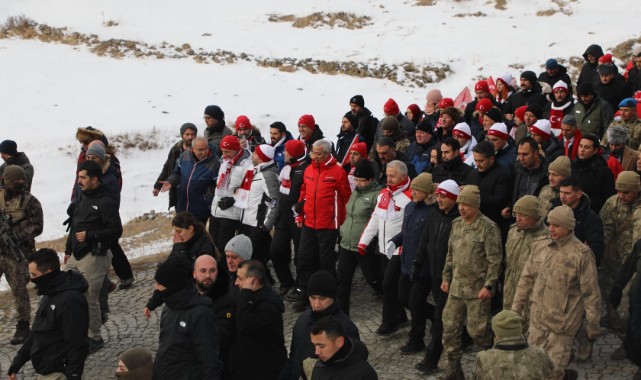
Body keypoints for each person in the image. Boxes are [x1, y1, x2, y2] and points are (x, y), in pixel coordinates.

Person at [512, 206, 601, 380]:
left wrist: (593, 324)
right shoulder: (539, 246)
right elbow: (525, 280)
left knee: (554, 372)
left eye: (557, 226)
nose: (551, 228)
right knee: (533, 369)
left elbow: (591, 293)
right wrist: (515, 310)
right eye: (550, 224)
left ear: (569, 227)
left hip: (562, 327)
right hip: (537, 321)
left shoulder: (581, 255)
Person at [440, 185, 501, 380]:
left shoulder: (488, 227)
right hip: (457, 288)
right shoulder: (457, 224)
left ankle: (492, 363)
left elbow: (495, 260)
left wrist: (489, 285)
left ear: (475, 205)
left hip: (477, 290)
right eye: (459, 203)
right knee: (449, 328)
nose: (461, 208)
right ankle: (454, 369)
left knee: (479, 332)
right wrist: (446, 277)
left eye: (466, 204)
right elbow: (450, 253)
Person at [65, 160, 122, 354]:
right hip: (76, 254)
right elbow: (74, 224)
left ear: (95, 179)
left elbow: (116, 230)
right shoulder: (81, 196)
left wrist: (91, 235)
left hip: (95, 255)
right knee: (65, 290)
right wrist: (67, 250)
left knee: (90, 297)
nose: (79, 181)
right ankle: (73, 332)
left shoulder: (106, 201)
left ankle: (94, 338)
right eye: (78, 177)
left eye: (83, 178)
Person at [7, 248, 89, 380]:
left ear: (48, 272)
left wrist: (73, 375)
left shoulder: (70, 300)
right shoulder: (49, 293)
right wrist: (17, 363)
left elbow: (77, 343)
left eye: (34, 275)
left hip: (59, 372)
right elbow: (37, 332)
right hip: (46, 370)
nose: (31, 279)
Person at [293, 139, 351, 311]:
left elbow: (346, 197)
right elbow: (304, 193)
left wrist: (342, 222)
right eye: (313, 152)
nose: (314, 156)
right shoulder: (309, 169)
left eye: (318, 153)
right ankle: (306, 293)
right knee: (304, 258)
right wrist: (299, 214)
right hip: (309, 222)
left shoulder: (338, 172)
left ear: (327, 154)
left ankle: (329, 295)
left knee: (325, 262)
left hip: (328, 225)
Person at [358, 160, 412, 336]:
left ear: (403, 176)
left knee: (388, 285)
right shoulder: (383, 194)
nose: (388, 179)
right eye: (387, 175)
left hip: (399, 250)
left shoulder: (410, 197)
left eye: (392, 176)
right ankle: (400, 315)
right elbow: (375, 219)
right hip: (383, 248)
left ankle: (388, 321)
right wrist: (364, 241)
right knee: (391, 285)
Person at [413, 180, 460, 374]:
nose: (439, 199)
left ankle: (431, 359)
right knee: (444, 317)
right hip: (434, 274)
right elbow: (426, 239)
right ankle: (462, 336)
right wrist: (417, 261)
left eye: (444, 196)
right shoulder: (435, 213)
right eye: (438, 195)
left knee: (440, 319)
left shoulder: (458, 219)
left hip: (450, 279)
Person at [279, 270, 360, 380]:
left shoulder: (346, 328)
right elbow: (294, 359)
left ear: (332, 297)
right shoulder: (302, 320)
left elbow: (350, 371)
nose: (316, 304)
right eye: (312, 298)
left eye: (322, 298)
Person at [152, 255, 222, 379]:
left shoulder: (201, 314)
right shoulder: (169, 307)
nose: (156, 287)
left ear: (173, 285)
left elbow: (210, 361)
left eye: (159, 283)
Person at [390, 173, 436, 354]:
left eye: (417, 190)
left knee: (415, 302)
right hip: (406, 262)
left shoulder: (432, 211)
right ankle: (435, 316)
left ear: (426, 192)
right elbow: (407, 233)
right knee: (403, 297)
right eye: (413, 189)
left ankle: (416, 339)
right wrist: (395, 241)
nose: (413, 192)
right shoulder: (410, 207)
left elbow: (427, 241)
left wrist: (420, 262)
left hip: (422, 266)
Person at [0, 165, 43, 345]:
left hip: (17, 253)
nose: (20, 183)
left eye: (22, 180)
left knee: (19, 289)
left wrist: (18, 235)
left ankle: (23, 325)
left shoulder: (30, 201)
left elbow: (37, 226)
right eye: (16, 180)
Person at [84, 142, 134, 291]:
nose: (91, 159)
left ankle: (125, 276)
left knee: (111, 247)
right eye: (88, 157)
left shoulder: (109, 175)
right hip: (90, 217)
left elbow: (111, 199)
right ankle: (104, 283)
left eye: (94, 157)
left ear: (101, 159)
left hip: (106, 217)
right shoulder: (87, 173)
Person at [337, 160, 383, 315]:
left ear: (370, 179)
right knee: (343, 279)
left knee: (372, 277)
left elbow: (378, 221)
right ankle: (342, 313)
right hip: (347, 243)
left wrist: (372, 241)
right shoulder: (356, 192)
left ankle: (386, 296)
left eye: (360, 180)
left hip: (364, 245)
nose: (357, 183)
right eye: (355, 180)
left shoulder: (377, 195)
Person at [599, 171, 641, 333]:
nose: (621, 195)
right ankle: (614, 321)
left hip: (633, 265)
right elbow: (604, 230)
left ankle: (628, 340)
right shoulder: (612, 203)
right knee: (610, 294)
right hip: (612, 260)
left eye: (626, 192)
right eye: (618, 191)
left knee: (629, 303)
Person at [234, 260, 287, 380]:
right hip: (250, 364)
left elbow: (244, 326)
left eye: (240, 278)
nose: (236, 282)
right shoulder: (252, 296)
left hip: (266, 369)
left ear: (253, 281)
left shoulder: (268, 306)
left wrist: (245, 294)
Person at [270, 139, 309, 296]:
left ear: (294, 154)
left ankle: (300, 287)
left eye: (287, 151)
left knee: (301, 256)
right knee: (275, 250)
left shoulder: (305, 168)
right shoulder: (287, 168)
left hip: (298, 218)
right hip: (284, 217)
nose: (284, 153)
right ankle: (286, 281)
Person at [472, 310, 554, 380]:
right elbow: (551, 374)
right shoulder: (540, 354)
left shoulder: (483, 358)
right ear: (519, 330)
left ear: (497, 333)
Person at [502, 196, 547, 321]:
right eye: (516, 214)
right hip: (510, 293)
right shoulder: (513, 231)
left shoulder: (546, 237)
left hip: (532, 297)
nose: (518, 218)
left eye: (523, 215)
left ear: (534, 216)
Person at [193, 254, 235, 379]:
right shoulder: (187, 298)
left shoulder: (226, 301)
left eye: (212, 271)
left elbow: (220, 338)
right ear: (194, 274)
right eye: (203, 271)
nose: (208, 276)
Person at [237, 144, 279, 267]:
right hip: (246, 221)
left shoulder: (267, 175)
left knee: (255, 259)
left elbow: (275, 201)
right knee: (247, 256)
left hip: (257, 224)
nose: (252, 155)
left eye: (255, 153)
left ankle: (263, 283)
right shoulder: (254, 171)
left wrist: (266, 225)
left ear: (261, 157)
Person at [161, 136, 220, 223]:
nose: (204, 152)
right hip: (181, 207)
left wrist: (206, 198)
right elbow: (177, 173)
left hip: (200, 210)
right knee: (181, 234)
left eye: (206, 149)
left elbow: (218, 185)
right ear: (193, 149)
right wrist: (171, 181)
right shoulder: (185, 155)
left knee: (196, 235)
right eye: (200, 150)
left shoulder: (215, 163)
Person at [210, 135, 251, 255]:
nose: (224, 154)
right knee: (213, 243)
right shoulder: (224, 161)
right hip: (216, 209)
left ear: (236, 149)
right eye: (222, 151)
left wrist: (233, 200)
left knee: (225, 245)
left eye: (227, 152)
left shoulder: (246, 164)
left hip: (232, 212)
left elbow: (248, 189)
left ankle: (229, 271)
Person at [466, 141, 513, 241]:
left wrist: (474, 195)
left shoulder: (502, 174)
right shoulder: (472, 174)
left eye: (481, 161)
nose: (477, 164)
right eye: (475, 161)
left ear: (491, 159)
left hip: (492, 227)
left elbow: (499, 200)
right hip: (472, 224)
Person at [309, 316, 378, 380]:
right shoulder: (320, 365)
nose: (317, 352)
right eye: (315, 345)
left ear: (339, 342)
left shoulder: (364, 374)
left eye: (321, 346)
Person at [610, 240, 641, 379]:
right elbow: (628, 266)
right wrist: (617, 286)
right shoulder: (640, 245)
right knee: (634, 341)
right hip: (637, 307)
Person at [152, 122, 197, 209]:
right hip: (177, 190)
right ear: (182, 135)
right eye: (187, 134)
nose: (190, 137)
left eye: (193, 134)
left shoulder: (199, 150)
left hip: (193, 192)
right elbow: (167, 167)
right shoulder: (176, 148)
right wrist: (157, 185)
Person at [571, 134, 616, 212]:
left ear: (595, 150)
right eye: (580, 146)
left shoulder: (602, 171)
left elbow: (609, 198)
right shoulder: (573, 165)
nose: (582, 150)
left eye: (587, 147)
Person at [224, 234, 253, 298]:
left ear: (245, 259)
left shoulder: (251, 283)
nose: (229, 261)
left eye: (234, 257)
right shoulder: (227, 276)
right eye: (227, 257)